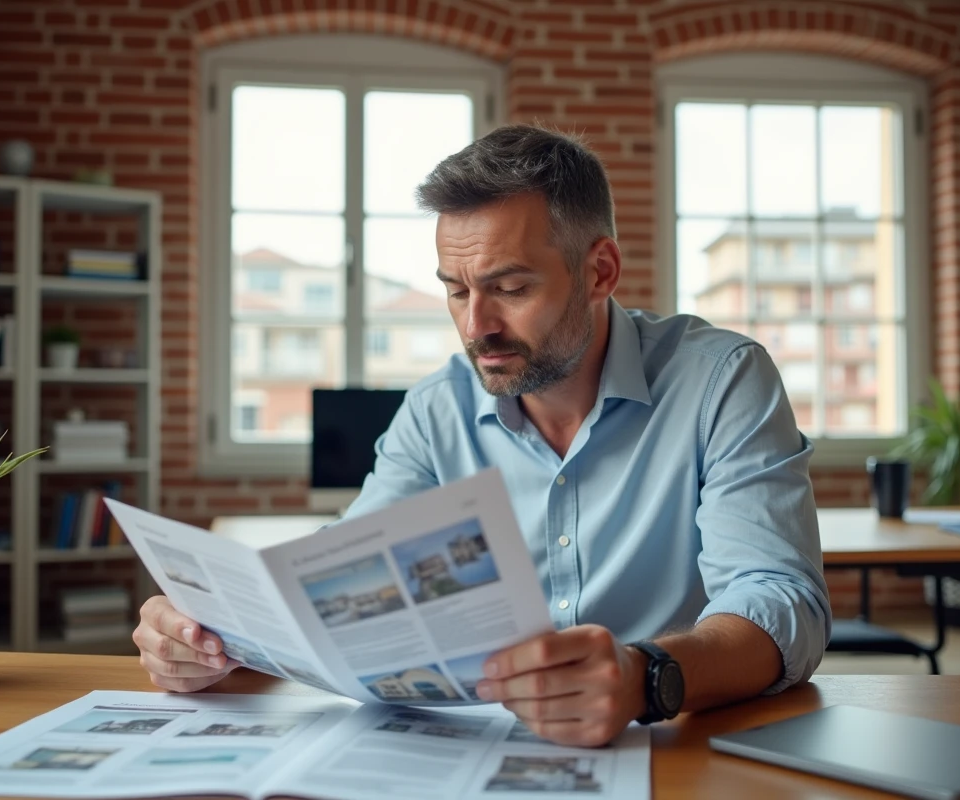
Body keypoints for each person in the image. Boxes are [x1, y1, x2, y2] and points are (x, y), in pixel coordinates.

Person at [132, 124, 831, 748]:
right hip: (469, 755)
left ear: (600, 271)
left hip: (674, 751)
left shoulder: (721, 382)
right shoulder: (438, 409)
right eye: (457, 290)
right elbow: (340, 583)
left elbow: (781, 602)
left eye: (510, 288)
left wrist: (643, 678)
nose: (476, 327)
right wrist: (208, 640)